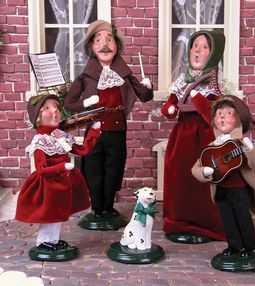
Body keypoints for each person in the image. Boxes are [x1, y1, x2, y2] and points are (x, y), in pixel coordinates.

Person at [64, 20, 153, 227]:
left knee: (114, 168)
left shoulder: (124, 73)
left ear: (117, 45)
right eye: (98, 40)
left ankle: (108, 207)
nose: (104, 44)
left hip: (117, 128)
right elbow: (69, 103)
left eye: (109, 39)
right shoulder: (86, 76)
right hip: (95, 129)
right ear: (91, 47)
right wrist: (85, 103)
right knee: (94, 169)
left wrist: (148, 86)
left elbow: (144, 96)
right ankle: (97, 208)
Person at [15, 94, 101, 261]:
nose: (54, 110)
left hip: (62, 184)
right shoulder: (40, 141)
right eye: (47, 108)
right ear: (38, 117)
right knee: (49, 215)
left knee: (59, 215)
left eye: (56, 107)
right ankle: (43, 242)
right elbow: (41, 170)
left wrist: (95, 132)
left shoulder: (61, 136)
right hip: (48, 185)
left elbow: (82, 150)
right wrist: (62, 167)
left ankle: (52, 241)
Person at [160, 30, 226, 243]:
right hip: (182, 136)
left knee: (203, 178)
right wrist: (169, 109)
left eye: (204, 47)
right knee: (179, 176)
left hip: (203, 137)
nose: (197, 50)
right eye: (194, 45)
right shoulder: (182, 80)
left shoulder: (214, 84)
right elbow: (171, 103)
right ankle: (179, 220)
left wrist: (199, 100)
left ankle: (204, 222)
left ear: (213, 53)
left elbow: (215, 116)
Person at [191, 95, 255, 258]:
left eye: (228, 113)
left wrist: (250, 149)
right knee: (228, 219)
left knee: (243, 218)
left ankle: (248, 247)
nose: (222, 116)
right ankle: (234, 246)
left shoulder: (244, 143)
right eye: (219, 113)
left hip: (239, 189)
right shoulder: (213, 147)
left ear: (239, 118)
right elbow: (195, 169)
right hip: (222, 189)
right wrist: (205, 171)